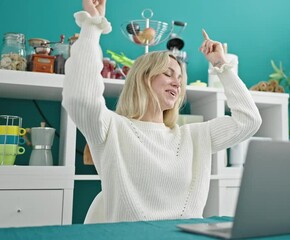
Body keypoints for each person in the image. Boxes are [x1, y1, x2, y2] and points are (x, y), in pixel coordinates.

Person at [63, 0, 262, 223]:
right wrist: (92, 25)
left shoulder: (194, 137)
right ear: (143, 78)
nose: (177, 83)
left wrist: (222, 67)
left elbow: (249, 120)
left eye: (180, 78)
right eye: (168, 74)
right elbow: (80, 96)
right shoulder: (111, 128)